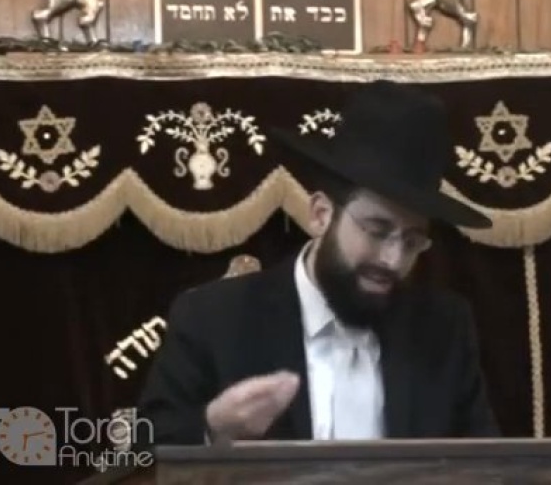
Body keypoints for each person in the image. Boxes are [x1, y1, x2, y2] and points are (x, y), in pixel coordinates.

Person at [135, 80, 501, 446]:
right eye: (377, 230)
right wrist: (211, 428)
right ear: (321, 214)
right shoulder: (214, 318)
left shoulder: (443, 329)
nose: (393, 259)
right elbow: (145, 449)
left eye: (412, 241)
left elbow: (485, 463)